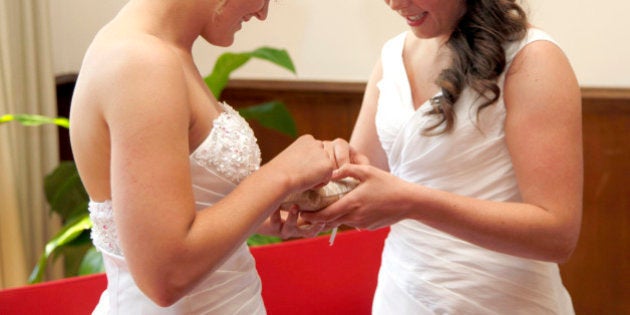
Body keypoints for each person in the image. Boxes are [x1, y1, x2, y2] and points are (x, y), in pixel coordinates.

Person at [69, 0, 361, 313]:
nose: (263, 13)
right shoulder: (141, 61)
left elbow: (179, 207)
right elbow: (165, 276)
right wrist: (281, 175)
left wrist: (266, 213)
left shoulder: (162, 48)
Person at [302, 0, 583, 313]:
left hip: (501, 299)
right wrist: (314, 180)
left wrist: (413, 202)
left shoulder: (533, 58)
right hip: (402, 293)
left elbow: (557, 236)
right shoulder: (393, 55)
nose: (395, 4)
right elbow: (359, 181)